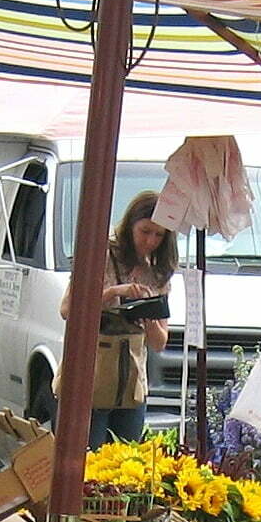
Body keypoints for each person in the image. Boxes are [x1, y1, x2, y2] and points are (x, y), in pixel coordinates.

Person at [57, 190, 174, 448]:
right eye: (145, 231)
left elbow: (159, 343)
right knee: (89, 456)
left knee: (127, 458)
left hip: (131, 380)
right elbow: (67, 310)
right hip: (92, 373)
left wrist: (150, 315)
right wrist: (114, 293)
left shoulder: (158, 271)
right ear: (131, 224)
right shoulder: (101, 253)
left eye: (158, 235)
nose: (151, 241)